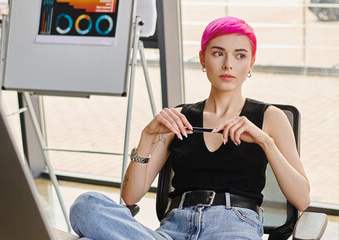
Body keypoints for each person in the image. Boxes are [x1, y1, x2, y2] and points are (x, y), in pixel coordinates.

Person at [68, 16, 311, 240]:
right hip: (174, 228)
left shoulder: (270, 117)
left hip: (233, 228)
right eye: (218, 53)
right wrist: (147, 137)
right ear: (203, 58)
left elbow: (302, 199)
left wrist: (264, 142)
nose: (228, 64)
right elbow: (130, 197)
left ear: (251, 64)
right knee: (86, 205)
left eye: (240, 56)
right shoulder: (178, 119)